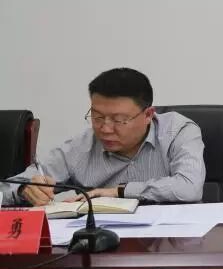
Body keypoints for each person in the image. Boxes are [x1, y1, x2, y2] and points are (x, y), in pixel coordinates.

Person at [3, 67, 205, 206]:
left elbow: (189, 187)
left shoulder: (177, 131)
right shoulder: (80, 148)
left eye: (119, 120)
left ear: (148, 115)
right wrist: (24, 189)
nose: (105, 129)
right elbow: (8, 188)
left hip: (168, 244)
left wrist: (118, 191)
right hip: (102, 246)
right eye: (97, 117)